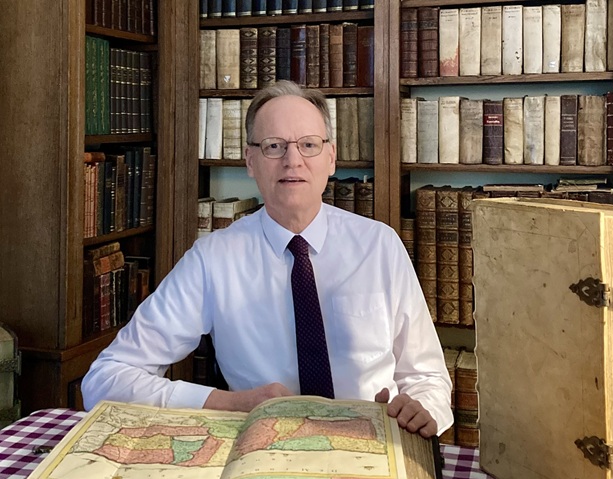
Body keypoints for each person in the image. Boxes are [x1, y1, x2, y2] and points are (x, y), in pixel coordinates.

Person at [81, 80, 453, 438]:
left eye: (308, 144)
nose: (293, 161)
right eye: (274, 146)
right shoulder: (214, 258)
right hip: (263, 454)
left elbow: (428, 378)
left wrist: (422, 410)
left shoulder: (380, 247)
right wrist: (227, 403)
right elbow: (105, 379)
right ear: (250, 161)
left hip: (373, 448)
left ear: (331, 158)